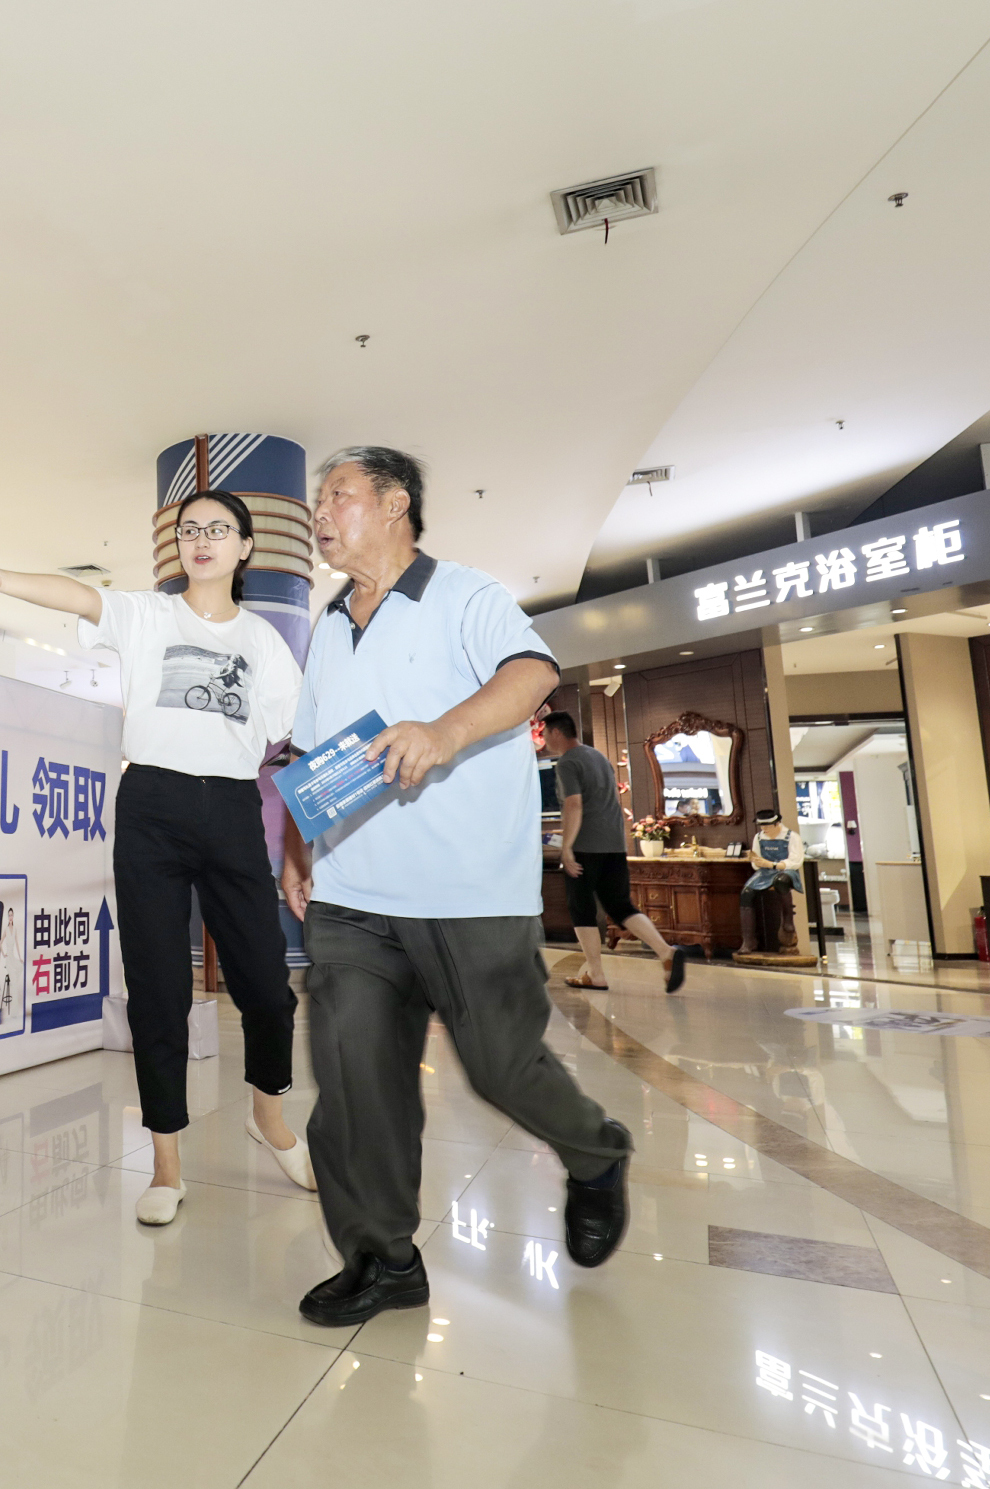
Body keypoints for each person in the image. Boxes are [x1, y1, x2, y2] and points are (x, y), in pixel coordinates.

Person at [280, 446, 632, 1329]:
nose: (320, 512)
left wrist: (442, 731)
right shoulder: (329, 622)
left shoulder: (462, 594)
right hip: (352, 894)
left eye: (337, 495)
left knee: (501, 1067)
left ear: (394, 503)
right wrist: (295, 848)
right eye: (317, 500)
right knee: (353, 1081)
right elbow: (310, 752)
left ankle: (595, 1153)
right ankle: (382, 1258)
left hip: (467, 891)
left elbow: (531, 675)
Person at [0, 490, 313, 1225]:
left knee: (268, 988)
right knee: (158, 991)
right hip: (152, 808)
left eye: (218, 529)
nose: (202, 539)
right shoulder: (146, 614)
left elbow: (297, 739)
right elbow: (79, 595)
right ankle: (166, 1163)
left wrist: (300, 846)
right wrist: (0, 579)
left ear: (244, 547)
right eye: (190, 529)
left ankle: (268, 1117)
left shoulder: (263, 641)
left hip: (233, 808)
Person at [541, 712, 692, 993]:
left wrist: (567, 847)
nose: (544, 738)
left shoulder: (567, 762)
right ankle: (666, 952)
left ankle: (595, 974)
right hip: (614, 844)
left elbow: (574, 805)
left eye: (545, 732)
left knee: (581, 908)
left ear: (556, 732)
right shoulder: (598, 757)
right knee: (621, 906)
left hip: (586, 845)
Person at [740, 806, 804, 954]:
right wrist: (759, 862)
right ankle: (748, 940)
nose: (764, 829)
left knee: (781, 881)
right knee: (746, 893)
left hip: (785, 870)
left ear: (777, 824)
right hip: (765, 872)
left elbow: (795, 861)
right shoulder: (759, 837)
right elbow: (756, 862)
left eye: (767, 826)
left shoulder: (792, 837)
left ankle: (787, 919)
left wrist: (774, 865)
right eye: (762, 826)